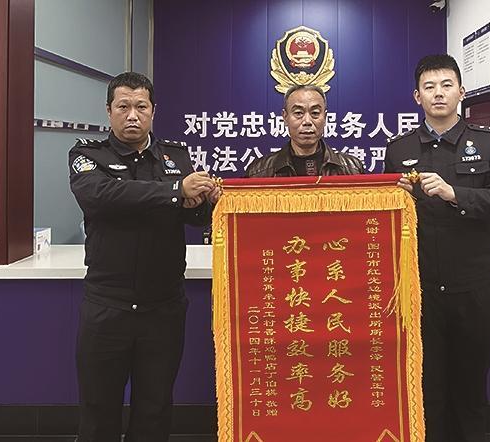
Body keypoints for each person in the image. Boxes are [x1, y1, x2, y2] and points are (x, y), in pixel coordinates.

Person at [69, 72, 220, 441]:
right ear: (108, 111)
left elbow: (192, 216)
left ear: (153, 111)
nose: (132, 115)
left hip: (163, 309)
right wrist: (174, 192)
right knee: (98, 413)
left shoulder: (175, 156)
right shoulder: (88, 155)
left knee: (154, 411)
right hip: (108, 307)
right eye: (123, 106)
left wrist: (207, 201)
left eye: (141, 106)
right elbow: (101, 197)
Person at [384, 55, 490, 442]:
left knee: (471, 390)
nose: (438, 93)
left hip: (472, 289)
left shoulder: (489, 143)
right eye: (429, 87)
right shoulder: (399, 149)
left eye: (446, 85)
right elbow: (388, 219)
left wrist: (453, 192)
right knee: (428, 390)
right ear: (417, 96)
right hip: (420, 291)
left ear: (461, 91)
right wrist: (397, 197)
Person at [246, 84, 365, 177]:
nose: (307, 121)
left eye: (315, 113)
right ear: (285, 117)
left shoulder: (352, 169)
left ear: (325, 117)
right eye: (298, 113)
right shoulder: (259, 172)